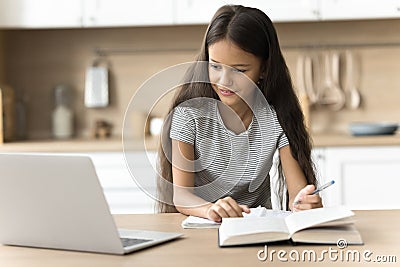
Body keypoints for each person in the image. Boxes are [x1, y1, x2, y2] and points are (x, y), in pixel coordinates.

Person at [155, 4, 322, 222]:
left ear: (264, 69)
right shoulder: (188, 116)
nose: (224, 81)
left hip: (257, 229)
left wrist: (304, 203)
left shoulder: (275, 117)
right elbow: (182, 196)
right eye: (215, 66)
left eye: (239, 70)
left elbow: (296, 195)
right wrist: (211, 210)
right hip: (203, 228)